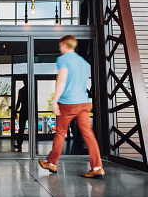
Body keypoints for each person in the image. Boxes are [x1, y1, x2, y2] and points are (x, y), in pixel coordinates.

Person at [39, 35, 105, 178]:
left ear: (64, 45)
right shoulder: (82, 61)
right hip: (83, 102)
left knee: (61, 133)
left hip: (68, 103)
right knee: (88, 134)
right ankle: (98, 167)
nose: (59, 48)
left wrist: (55, 100)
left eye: (60, 45)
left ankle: (52, 163)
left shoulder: (63, 59)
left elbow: (61, 81)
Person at [13, 79, 28, 151]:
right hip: (29, 110)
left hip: (23, 111)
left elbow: (18, 102)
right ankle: (33, 142)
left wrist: (16, 111)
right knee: (30, 128)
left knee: (21, 128)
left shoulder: (21, 90)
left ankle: (19, 144)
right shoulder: (32, 89)